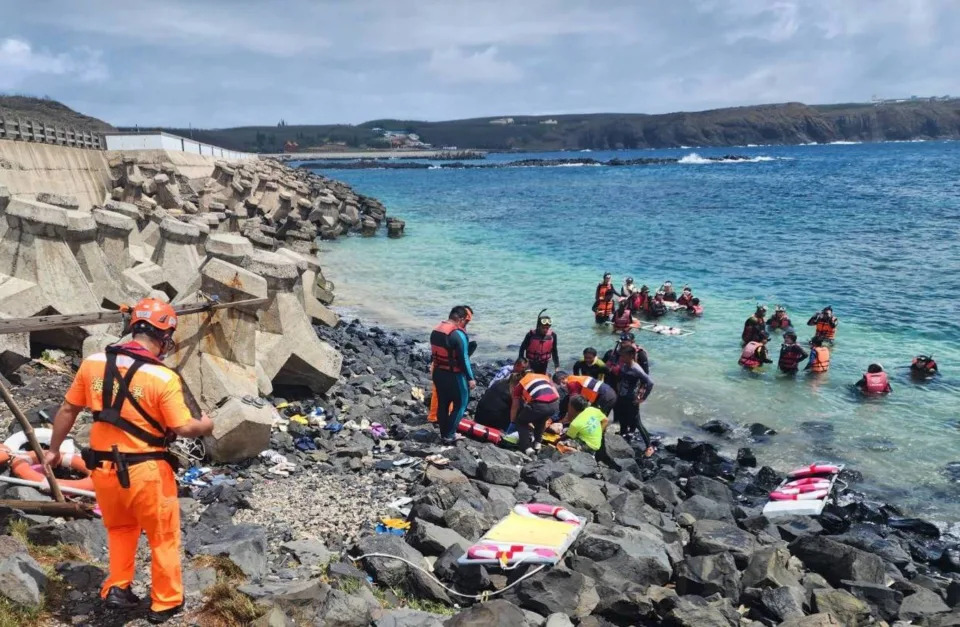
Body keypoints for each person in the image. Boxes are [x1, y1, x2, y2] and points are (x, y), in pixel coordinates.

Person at [44, 298, 214, 623]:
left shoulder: (94, 363)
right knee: (162, 535)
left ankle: (116, 588)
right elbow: (182, 427)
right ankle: (165, 603)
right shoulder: (163, 378)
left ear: (134, 327)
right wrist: (206, 425)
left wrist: (53, 450)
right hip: (146, 470)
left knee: (121, 529)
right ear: (163, 336)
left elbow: (67, 410)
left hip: (103, 470)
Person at [430, 306, 476, 445]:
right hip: (454, 376)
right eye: (465, 322)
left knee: (443, 404)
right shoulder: (458, 334)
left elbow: (434, 353)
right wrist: (470, 378)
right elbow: (464, 358)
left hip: (438, 373)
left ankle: (444, 433)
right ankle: (450, 435)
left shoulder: (436, 330)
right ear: (461, 319)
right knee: (461, 404)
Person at [614, 345, 655, 455]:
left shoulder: (636, 368)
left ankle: (649, 446)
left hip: (631, 399)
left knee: (637, 422)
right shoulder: (624, 365)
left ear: (631, 356)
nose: (621, 358)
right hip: (622, 396)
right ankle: (623, 437)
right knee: (622, 418)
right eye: (620, 356)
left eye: (623, 356)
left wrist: (642, 398)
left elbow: (650, 383)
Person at [510, 367, 560, 455]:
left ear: (522, 376)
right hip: (554, 405)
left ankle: (527, 448)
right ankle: (538, 444)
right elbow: (557, 394)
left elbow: (515, 406)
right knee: (540, 421)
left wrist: (513, 421)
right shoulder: (544, 377)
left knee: (521, 422)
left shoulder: (521, 383)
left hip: (539, 405)